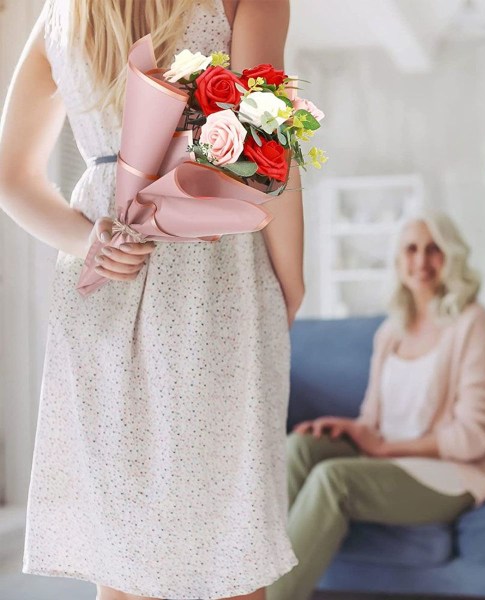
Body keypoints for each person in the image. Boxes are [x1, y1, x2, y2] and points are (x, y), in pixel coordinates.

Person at [0, 1, 303, 599]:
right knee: (229, 544)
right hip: (215, 274)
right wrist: (290, 286)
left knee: (124, 556)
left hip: (105, 274)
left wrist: (89, 241)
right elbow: (270, 159)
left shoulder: (64, 13)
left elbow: (10, 175)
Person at [267, 208, 485, 600]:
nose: (421, 261)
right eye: (411, 249)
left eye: (433, 249)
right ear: (398, 260)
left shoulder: (472, 323)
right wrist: (351, 428)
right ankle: (255, 574)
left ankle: (268, 596)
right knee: (298, 447)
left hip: (451, 472)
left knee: (333, 480)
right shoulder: (390, 331)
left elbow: (476, 437)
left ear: (450, 255)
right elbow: (373, 420)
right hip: (390, 458)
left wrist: (387, 447)